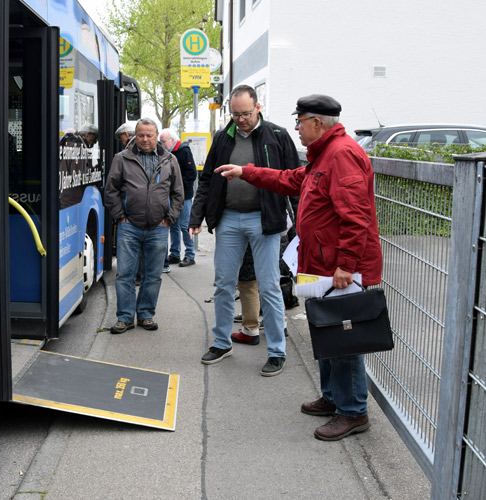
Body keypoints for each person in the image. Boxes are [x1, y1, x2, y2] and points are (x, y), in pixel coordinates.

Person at [215, 94, 383, 441]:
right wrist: (246, 171)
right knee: (326, 330)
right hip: (319, 264)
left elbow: (356, 217)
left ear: (317, 123)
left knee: (344, 339)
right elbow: (291, 179)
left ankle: (353, 412)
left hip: (338, 269)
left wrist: (346, 266)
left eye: (300, 121)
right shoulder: (325, 155)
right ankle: (333, 398)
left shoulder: (342, 155)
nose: (296, 128)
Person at [189, 84, 299, 375]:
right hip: (229, 220)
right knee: (224, 285)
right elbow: (207, 182)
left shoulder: (277, 136)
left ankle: (276, 351)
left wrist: (302, 223)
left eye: (246, 114)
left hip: (265, 221)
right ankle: (222, 342)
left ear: (258, 107)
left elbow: (298, 180)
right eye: (235, 114)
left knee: (270, 287)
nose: (240, 120)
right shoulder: (222, 138)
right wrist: (195, 217)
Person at [104, 118, 184, 334]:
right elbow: (110, 190)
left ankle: (146, 315)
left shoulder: (169, 160)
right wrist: (120, 216)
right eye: (141, 135)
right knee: (125, 274)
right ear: (134, 136)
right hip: (129, 226)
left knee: (153, 275)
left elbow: (178, 193)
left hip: (159, 227)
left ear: (157, 136)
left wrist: (170, 218)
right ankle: (125, 318)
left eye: (149, 135)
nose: (145, 139)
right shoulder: (121, 159)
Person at [160, 129, 197, 272]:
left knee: (184, 225)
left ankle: (190, 254)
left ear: (172, 140)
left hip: (184, 195)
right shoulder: (168, 152)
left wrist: (178, 187)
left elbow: (191, 173)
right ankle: (175, 253)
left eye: (164, 142)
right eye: (161, 142)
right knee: (173, 224)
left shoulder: (183, 151)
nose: (162, 145)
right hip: (171, 194)